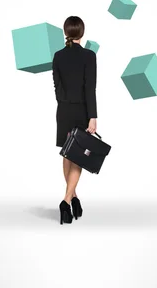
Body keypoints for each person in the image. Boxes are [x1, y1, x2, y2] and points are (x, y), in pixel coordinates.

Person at [52, 16, 97, 225]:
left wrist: (64, 102)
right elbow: (90, 89)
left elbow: (57, 87)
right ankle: (65, 201)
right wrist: (93, 116)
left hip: (63, 110)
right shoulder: (89, 56)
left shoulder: (58, 56)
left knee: (67, 155)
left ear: (65, 32)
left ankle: (74, 200)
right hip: (81, 111)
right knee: (77, 157)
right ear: (82, 33)